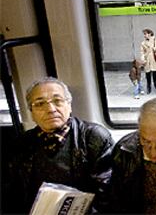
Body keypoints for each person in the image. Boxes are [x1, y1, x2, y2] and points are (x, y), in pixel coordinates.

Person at [4, 77, 114, 213]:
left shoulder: (93, 137)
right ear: (31, 113)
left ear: (69, 105)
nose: (50, 109)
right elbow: (13, 194)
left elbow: (107, 193)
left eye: (58, 101)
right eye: (39, 104)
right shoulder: (21, 144)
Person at [140, 28, 156, 94]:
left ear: (150, 33)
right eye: (144, 34)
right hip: (147, 60)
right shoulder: (143, 43)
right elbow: (142, 52)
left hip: (154, 60)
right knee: (147, 74)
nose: (144, 35)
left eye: (145, 34)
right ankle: (149, 87)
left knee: (155, 74)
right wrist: (143, 59)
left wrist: (155, 48)